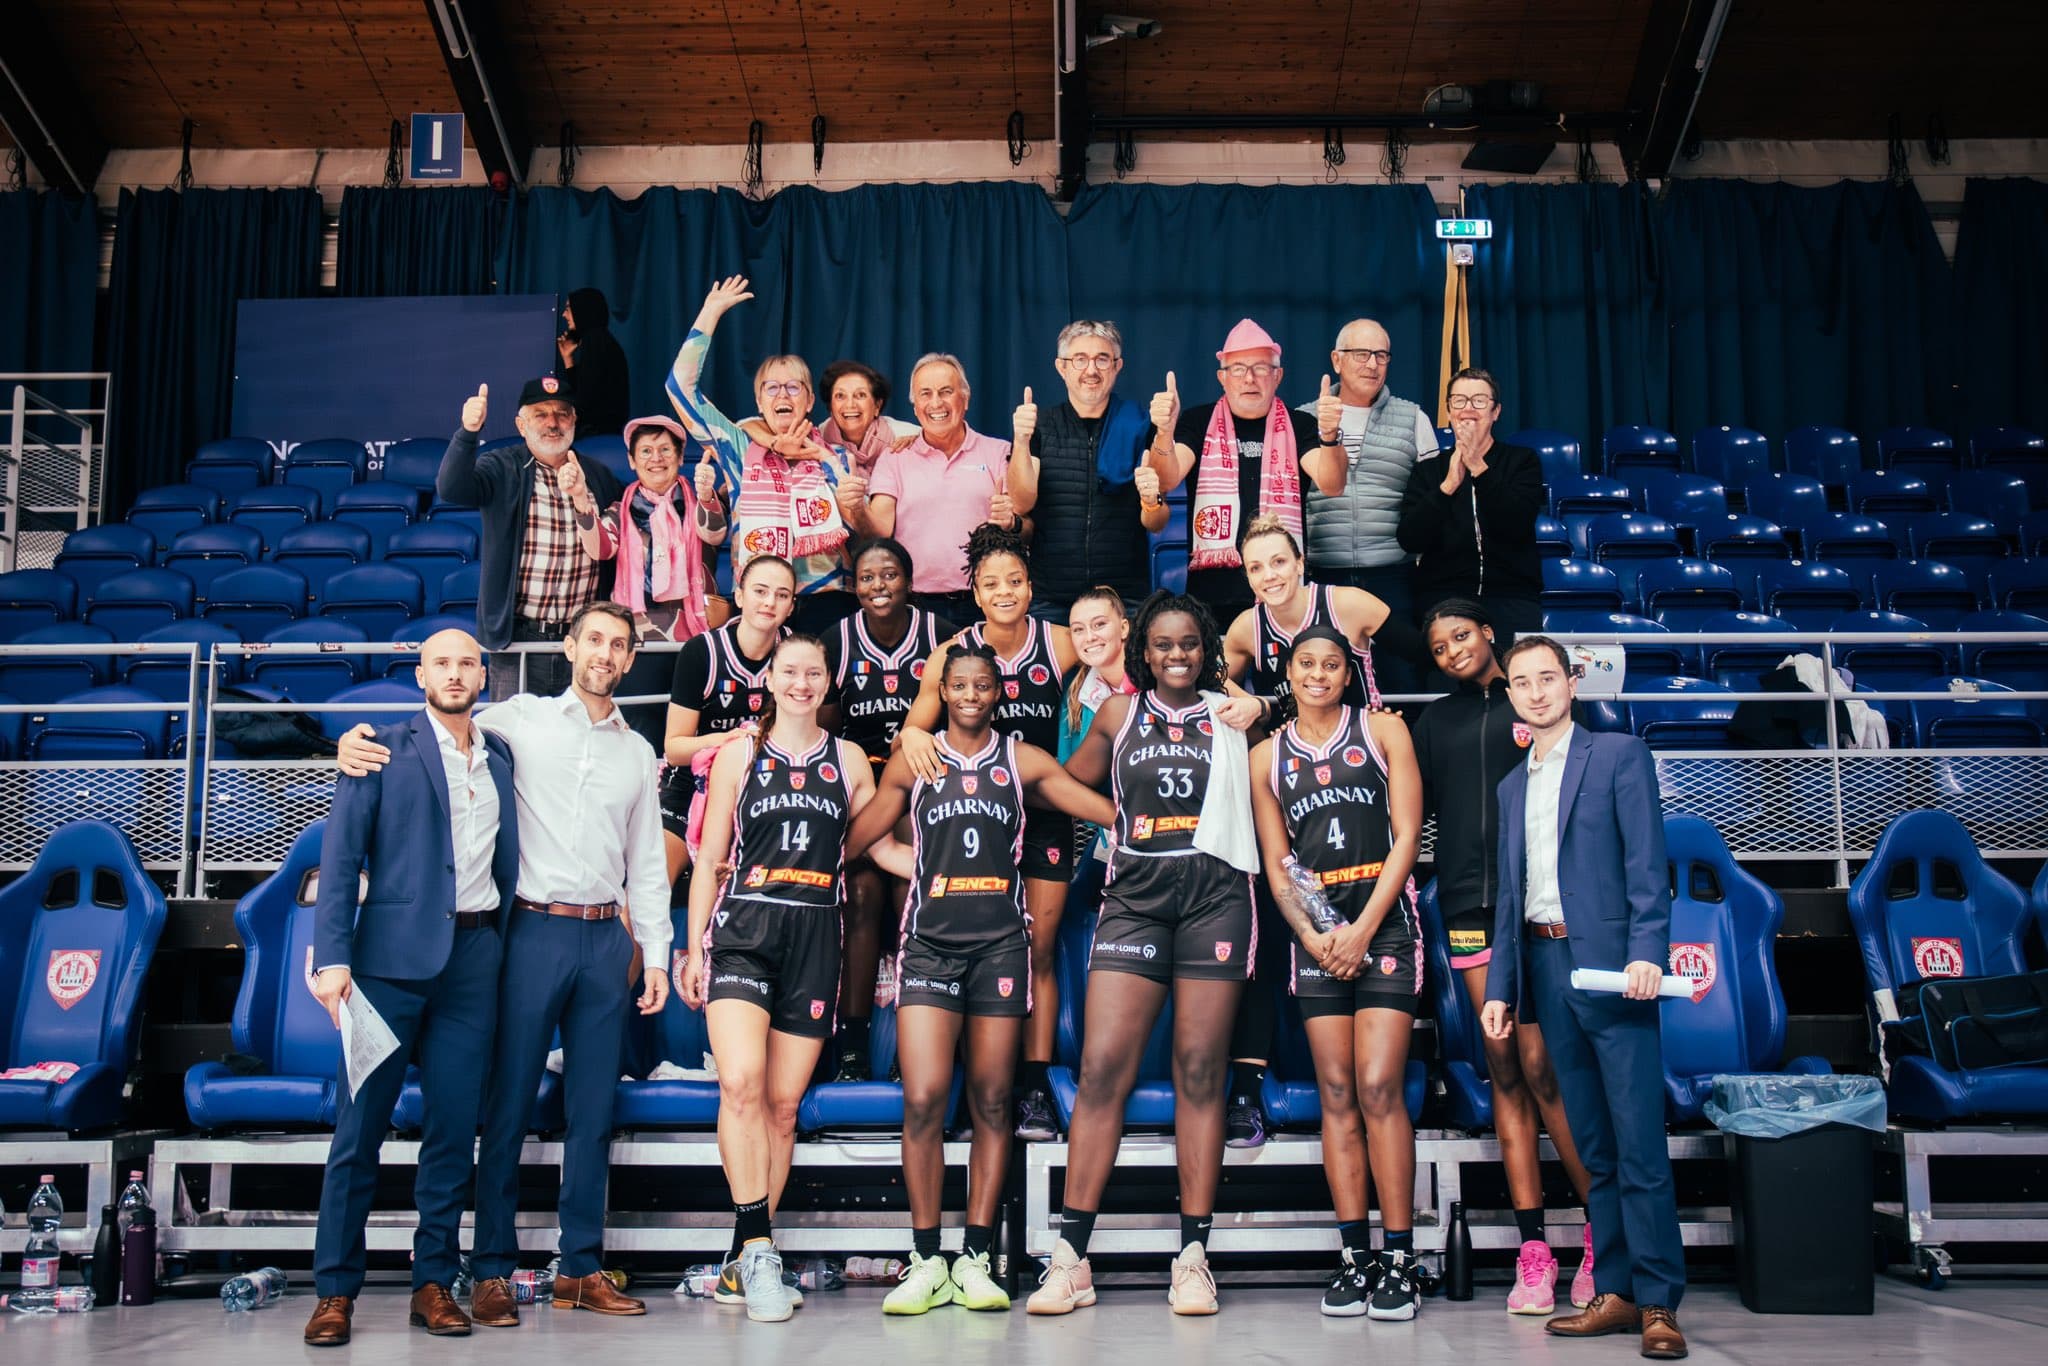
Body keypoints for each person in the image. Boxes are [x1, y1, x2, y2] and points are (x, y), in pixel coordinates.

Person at [335, 603, 671, 1324]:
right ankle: (490, 1269)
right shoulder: (515, 720)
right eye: (593, 641)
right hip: (529, 933)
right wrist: (346, 745)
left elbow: (647, 862)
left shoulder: (638, 752)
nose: (604, 654)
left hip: (605, 937)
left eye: (619, 645)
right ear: (570, 647)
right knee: (507, 1107)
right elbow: (427, 737)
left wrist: (657, 956)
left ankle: (580, 1267)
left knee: (592, 1112)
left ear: (631, 658)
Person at [846, 642, 1115, 1316]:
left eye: (980, 684)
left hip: (1000, 947)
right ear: (942, 689)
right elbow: (860, 833)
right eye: (956, 684)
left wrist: (1157, 828)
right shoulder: (918, 758)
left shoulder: (1020, 759)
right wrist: (783, 859)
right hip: (931, 947)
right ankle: (924, 1258)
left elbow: (1094, 807)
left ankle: (975, 1256)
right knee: (925, 1099)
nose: (968, 693)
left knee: (993, 1102)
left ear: (998, 693)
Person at [1028, 592, 1259, 1319]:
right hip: (1135, 899)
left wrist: (1267, 704)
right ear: (1144, 653)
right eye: (1163, 645)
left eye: (1189, 643)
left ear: (1207, 646)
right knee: (1101, 1070)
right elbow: (1062, 781)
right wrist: (1114, 820)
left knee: (1198, 1071)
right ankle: (1072, 1257)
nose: (1177, 655)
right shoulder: (1120, 714)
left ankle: (1193, 1255)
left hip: (1216, 895)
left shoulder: (1234, 714)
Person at [304, 629, 518, 1346]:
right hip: (385, 968)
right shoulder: (378, 748)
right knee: (358, 1133)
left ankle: (433, 1282)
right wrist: (329, 955)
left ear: (484, 674)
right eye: (443, 663)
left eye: (467, 663)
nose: (456, 674)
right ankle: (335, 1291)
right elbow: (340, 860)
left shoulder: (502, 755)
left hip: (474, 960)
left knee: (454, 1133)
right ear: (421, 672)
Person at [679, 634, 896, 1324]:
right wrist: (692, 949)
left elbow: (882, 846)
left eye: (814, 673)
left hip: (813, 933)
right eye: (790, 672)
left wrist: (947, 874)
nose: (801, 682)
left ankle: (744, 1262)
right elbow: (710, 855)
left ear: (828, 682)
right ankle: (758, 1246)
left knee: (779, 1107)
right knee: (740, 1082)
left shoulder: (851, 761)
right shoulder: (741, 754)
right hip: (745, 927)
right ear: (770, 679)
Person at [1482, 636, 1688, 1361]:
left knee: (1638, 1143)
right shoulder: (1512, 785)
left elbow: (1646, 865)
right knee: (1593, 1146)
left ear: (1571, 684)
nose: (1536, 692)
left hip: (1611, 967)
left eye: (1547, 678)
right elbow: (1510, 897)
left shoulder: (1618, 756)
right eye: (1521, 683)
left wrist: (1646, 954)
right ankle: (1621, 1292)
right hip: (1545, 962)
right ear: (1508, 693)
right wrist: (1501, 990)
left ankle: (1660, 1300)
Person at [1412, 599, 1595, 1315]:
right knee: (1505, 1071)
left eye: (1461, 635)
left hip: (1540, 909)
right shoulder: (1436, 721)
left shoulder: (1541, 706)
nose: (1452, 650)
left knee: (1549, 1071)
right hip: (1466, 909)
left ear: (1489, 633)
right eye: (1438, 645)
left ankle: (1600, 1239)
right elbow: (1409, 809)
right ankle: (1534, 1252)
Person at [1249, 626, 1425, 1322]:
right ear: (1287, 675)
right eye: (1305, 665)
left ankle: (1399, 1256)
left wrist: (1360, 931)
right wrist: (1315, 935)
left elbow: (1408, 834)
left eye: (1330, 665)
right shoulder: (1267, 755)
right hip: (1317, 935)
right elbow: (1278, 862)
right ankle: (1354, 1257)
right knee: (1337, 1093)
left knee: (1380, 1085)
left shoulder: (1384, 732)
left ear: (1347, 676)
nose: (1318, 674)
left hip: (1383, 922)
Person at [896, 524, 1079, 1141]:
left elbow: (1124, 654)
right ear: (974, 591)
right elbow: (914, 731)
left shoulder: (1060, 643)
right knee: (964, 947)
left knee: (1039, 951)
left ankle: (1032, 1084)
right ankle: (950, 1081)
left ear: (1032, 587)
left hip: (1044, 812)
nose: (1005, 592)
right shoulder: (950, 655)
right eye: (992, 583)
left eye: (1016, 582)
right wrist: (914, 734)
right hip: (971, 818)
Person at [821, 538, 953, 1080]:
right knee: (861, 891)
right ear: (854, 586)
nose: (879, 586)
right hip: (858, 781)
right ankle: (852, 1046)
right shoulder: (837, 639)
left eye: (890, 574)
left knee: (906, 891)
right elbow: (826, 730)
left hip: (922, 780)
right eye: (868, 577)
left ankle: (911, 1043)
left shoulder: (941, 634)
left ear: (910, 579)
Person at [666, 276, 858, 636]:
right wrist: (710, 313)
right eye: (771, 387)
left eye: (793, 386)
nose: (782, 394)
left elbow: (854, 528)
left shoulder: (837, 456)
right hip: (760, 601)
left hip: (828, 600)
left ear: (809, 401)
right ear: (759, 402)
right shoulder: (738, 449)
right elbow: (679, 387)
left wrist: (823, 463)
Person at [1145, 318, 1347, 619]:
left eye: (1261, 368)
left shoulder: (1300, 425)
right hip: (1213, 595)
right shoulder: (1197, 422)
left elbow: (1333, 484)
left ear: (1277, 376)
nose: (1249, 379)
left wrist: (1329, 436)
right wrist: (1164, 431)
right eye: (1238, 369)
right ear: (1222, 377)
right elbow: (1166, 478)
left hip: (1282, 593)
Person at [439, 377, 625, 700]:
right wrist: (467, 433)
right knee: (513, 741)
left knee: (579, 741)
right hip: (518, 638)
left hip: (582, 640)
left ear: (574, 421)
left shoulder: (597, 476)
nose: (552, 423)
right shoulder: (500, 467)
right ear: (520, 425)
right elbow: (451, 488)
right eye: (540, 414)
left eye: (562, 413)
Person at [1298, 319, 1438, 695]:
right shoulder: (1302, 419)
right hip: (1323, 577)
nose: (1372, 364)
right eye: (1361, 354)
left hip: (1394, 578)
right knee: (1326, 689)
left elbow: (1432, 503)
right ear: (1336, 360)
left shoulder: (1414, 419)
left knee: (1402, 686)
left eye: (1381, 355)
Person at [1005, 320, 1167, 614]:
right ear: (1061, 367)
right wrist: (1021, 440)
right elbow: (1020, 502)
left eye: (1102, 359)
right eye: (1079, 359)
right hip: (1050, 599)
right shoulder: (1039, 425)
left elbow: (1157, 519)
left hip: (1124, 599)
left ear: (1117, 366)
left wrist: (1165, 430)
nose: (1091, 370)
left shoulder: (1140, 425)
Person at [846, 353, 1019, 622]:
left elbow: (1027, 525)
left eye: (946, 391)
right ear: (915, 408)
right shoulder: (895, 457)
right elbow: (878, 532)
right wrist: (857, 507)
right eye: (925, 394)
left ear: (965, 399)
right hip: (916, 605)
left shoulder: (998, 452)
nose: (936, 403)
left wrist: (1012, 521)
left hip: (984, 603)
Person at [663, 555, 798, 886]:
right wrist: (731, 739)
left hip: (764, 791)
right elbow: (674, 749)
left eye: (782, 595)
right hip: (692, 788)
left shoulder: (795, 652)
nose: (769, 602)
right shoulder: (702, 652)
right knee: (649, 888)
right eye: (760, 591)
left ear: (792, 605)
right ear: (739, 596)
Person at [1398, 369, 1545, 645]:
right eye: (1459, 401)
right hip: (1443, 599)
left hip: (1512, 596)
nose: (1468, 409)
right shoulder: (1428, 471)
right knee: (1445, 685)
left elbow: (1516, 524)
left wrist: (1479, 467)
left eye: (1479, 401)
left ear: (1496, 411)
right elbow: (1409, 538)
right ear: (1449, 410)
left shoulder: (1522, 461)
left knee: (1514, 680)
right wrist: (1448, 487)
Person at [818, 360, 912, 476]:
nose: (850, 404)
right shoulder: (819, 438)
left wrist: (921, 440)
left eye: (860, 395)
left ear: (877, 405)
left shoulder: (907, 436)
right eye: (840, 396)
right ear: (831, 406)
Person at [558, 288, 630, 439]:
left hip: (596, 439)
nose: (564, 315)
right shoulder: (599, 340)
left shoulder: (595, 341)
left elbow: (584, 402)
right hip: (603, 435)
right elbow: (584, 391)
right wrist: (568, 358)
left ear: (583, 310)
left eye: (568, 308)